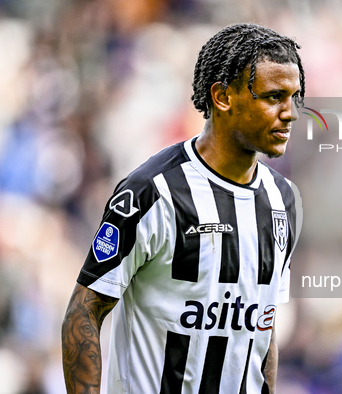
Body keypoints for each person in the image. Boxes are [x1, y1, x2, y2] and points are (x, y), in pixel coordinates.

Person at [61, 22, 304, 394]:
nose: (290, 113)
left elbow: (262, 328)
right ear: (223, 97)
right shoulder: (152, 192)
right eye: (273, 96)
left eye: (294, 97)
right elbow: (83, 312)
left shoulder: (283, 200)